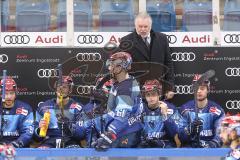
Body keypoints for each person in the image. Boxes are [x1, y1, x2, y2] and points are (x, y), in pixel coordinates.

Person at [92, 52, 142, 150]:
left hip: (125, 134)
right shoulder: (125, 83)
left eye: (112, 65)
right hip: (127, 131)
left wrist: (109, 135)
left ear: (120, 67)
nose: (109, 68)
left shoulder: (125, 87)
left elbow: (122, 117)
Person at [119, 12, 174, 100]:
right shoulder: (126, 41)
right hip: (136, 91)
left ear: (150, 26)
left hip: (159, 89)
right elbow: (123, 68)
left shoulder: (162, 38)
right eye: (140, 26)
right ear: (135, 25)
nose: (143, 29)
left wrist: (169, 87)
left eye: (145, 26)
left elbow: (168, 63)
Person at [35, 76, 85, 148]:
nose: (61, 89)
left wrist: (69, 126)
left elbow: (81, 134)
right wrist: (39, 130)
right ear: (55, 89)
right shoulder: (43, 107)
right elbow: (35, 137)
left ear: (70, 90)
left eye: (64, 87)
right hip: (49, 141)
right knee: (40, 154)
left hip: (71, 141)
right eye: (59, 87)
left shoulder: (78, 108)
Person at [179, 74, 225, 148]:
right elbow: (181, 136)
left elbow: (220, 135)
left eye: (202, 88)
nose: (199, 91)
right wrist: (190, 129)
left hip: (209, 149)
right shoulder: (184, 109)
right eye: (196, 88)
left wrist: (211, 145)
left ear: (208, 90)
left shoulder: (217, 111)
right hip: (189, 148)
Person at [138, 79, 181, 148]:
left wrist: (165, 116)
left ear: (159, 94)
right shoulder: (140, 109)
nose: (151, 97)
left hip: (165, 147)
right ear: (144, 96)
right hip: (146, 147)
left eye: (153, 94)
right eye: (148, 95)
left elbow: (175, 133)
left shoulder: (171, 108)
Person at [0, 77, 34, 148]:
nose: (9, 97)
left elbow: (28, 132)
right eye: (5, 93)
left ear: (15, 93)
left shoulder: (25, 108)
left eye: (11, 93)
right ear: (1, 94)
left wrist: (15, 144)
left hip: (19, 147)